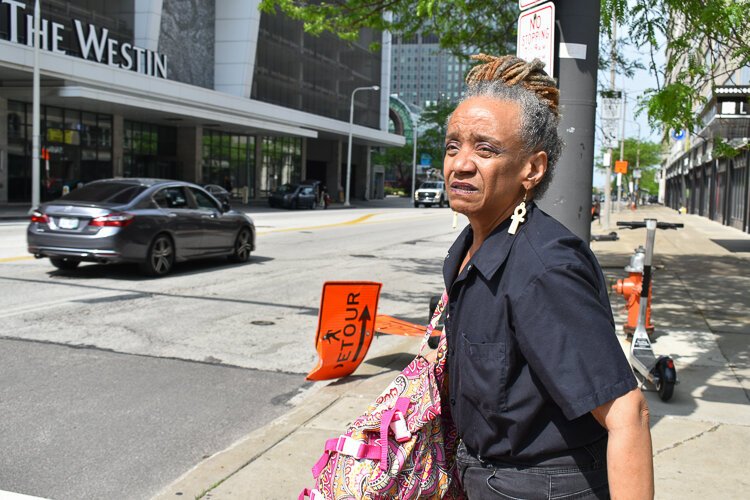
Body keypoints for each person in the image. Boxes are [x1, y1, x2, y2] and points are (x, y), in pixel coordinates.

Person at [441, 54, 653, 499]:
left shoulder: (545, 267)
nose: (460, 164)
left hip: (540, 487)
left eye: (485, 149)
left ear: (532, 170)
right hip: (482, 476)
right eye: (452, 145)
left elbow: (627, 412)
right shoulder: (468, 249)